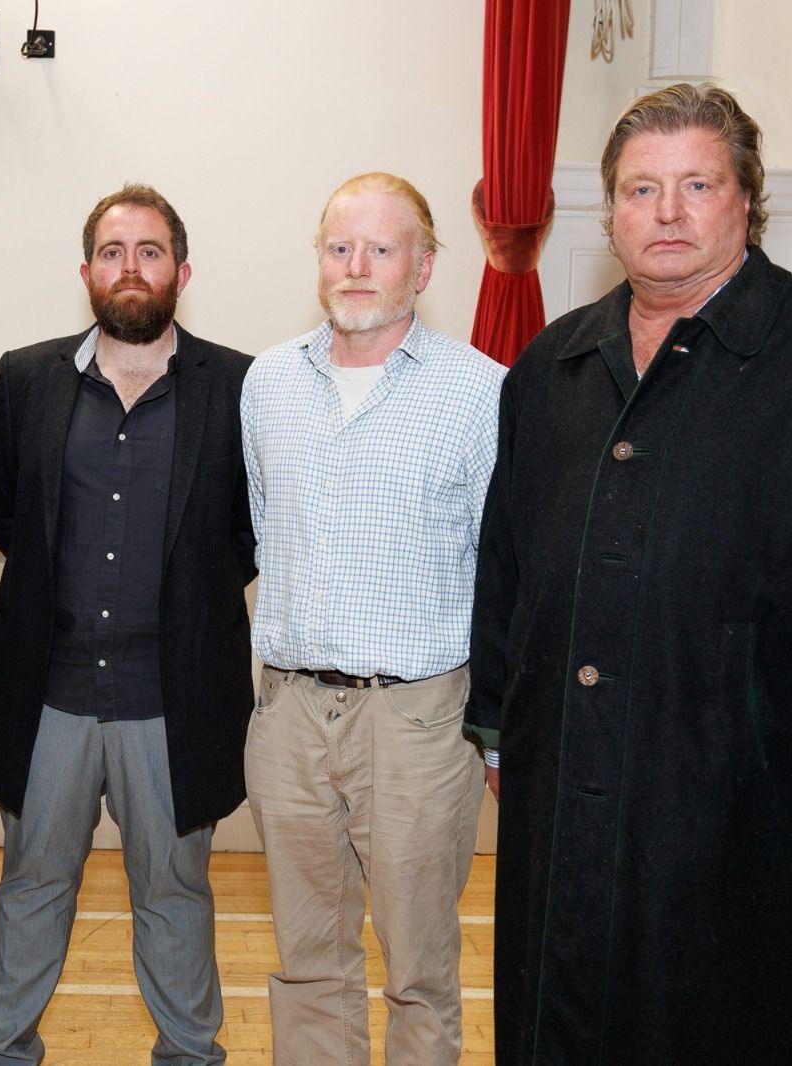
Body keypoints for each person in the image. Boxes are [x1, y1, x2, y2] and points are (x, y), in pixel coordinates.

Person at [464, 83, 792, 1064]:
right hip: (566, 783)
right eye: (642, 189)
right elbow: (506, 565)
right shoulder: (550, 366)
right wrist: (498, 727)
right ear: (609, 213)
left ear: (744, 201)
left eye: (697, 184)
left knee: (727, 1020)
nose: (668, 212)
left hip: (747, 802)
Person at [0, 184, 254, 1066]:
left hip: (172, 698)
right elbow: (6, 515)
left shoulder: (241, 385)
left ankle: (190, 1052)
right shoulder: (25, 376)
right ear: (86, 270)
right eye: (113, 251)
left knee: (173, 890)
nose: (131, 267)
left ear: (183, 271)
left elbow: (251, 534)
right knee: (31, 883)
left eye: (151, 251)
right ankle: (3, 1049)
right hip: (49, 690)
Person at [240, 172, 503, 1065]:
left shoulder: (482, 394)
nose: (357, 267)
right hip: (288, 716)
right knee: (308, 958)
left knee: (419, 967)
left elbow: (505, 573)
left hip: (419, 724)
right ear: (318, 261)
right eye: (339, 247)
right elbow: (261, 524)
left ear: (424, 266)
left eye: (381, 249)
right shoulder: (267, 383)